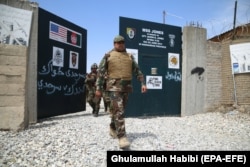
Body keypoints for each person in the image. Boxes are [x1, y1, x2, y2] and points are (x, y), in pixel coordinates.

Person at [95, 35, 147, 149]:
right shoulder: (108, 56)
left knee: (118, 110)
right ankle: (122, 137)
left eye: (122, 42)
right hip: (113, 88)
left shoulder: (129, 57)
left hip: (126, 88)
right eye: (118, 42)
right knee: (119, 111)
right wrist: (98, 88)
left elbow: (137, 71)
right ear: (114, 44)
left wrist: (143, 83)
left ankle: (113, 127)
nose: (120, 44)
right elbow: (100, 72)